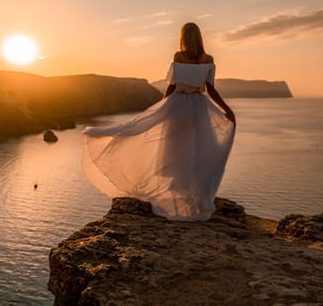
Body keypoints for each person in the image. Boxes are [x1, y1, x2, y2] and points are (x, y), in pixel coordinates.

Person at [82, 22, 236, 221]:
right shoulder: (208, 59)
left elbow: (172, 86)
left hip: (178, 106)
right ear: (199, 37)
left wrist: (162, 109)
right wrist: (227, 110)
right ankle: (195, 200)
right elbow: (211, 89)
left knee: (176, 150)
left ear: (183, 38)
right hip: (199, 108)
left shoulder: (179, 57)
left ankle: (176, 199)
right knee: (197, 151)